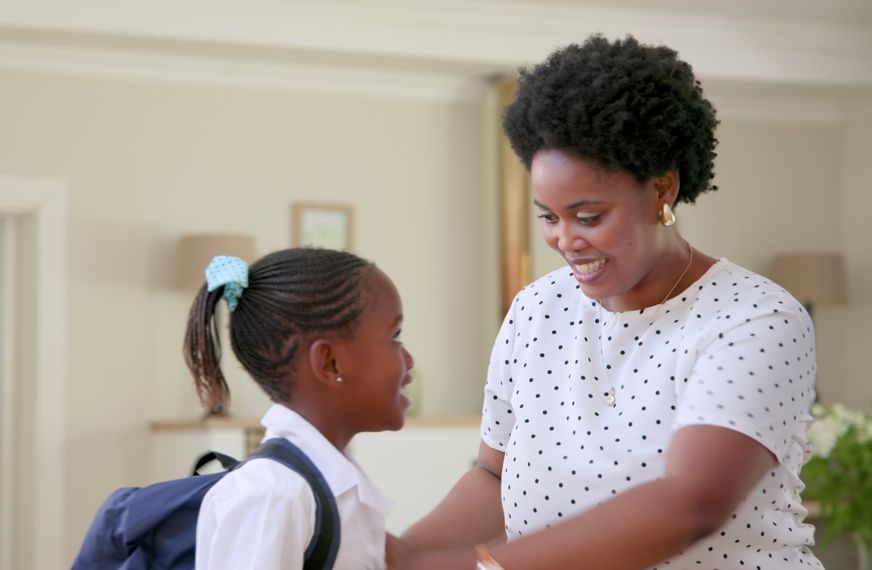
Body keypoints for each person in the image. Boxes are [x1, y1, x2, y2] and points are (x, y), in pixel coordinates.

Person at [392, 35, 822, 569]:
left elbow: (692, 504)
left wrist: (485, 567)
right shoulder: (536, 310)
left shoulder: (756, 318)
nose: (565, 240)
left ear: (662, 189)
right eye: (548, 216)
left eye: (588, 216)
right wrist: (397, 555)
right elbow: (493, 477)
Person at [184, 247, 414, 569]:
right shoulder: (273, 496)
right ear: (330, 362)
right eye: (395, 336)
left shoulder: (331, 484)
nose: (409, 361)